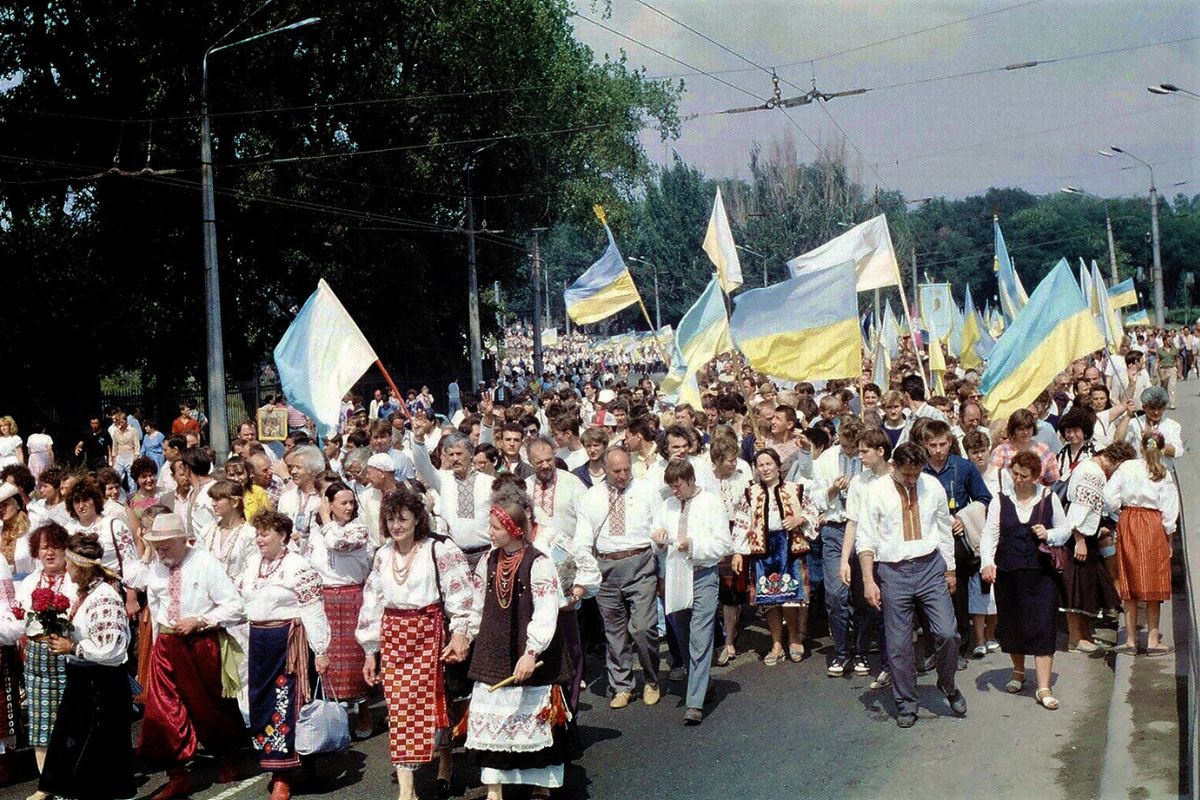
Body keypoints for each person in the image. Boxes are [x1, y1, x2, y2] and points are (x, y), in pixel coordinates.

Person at [358, 487, 473, 800]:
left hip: (428, 633)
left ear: (417, 518)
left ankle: (445, 762)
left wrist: (461, 631)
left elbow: (461, 594)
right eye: (391, 519)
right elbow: (372, 602)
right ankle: (407, 791)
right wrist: (370, 652)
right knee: (399, 710)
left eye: (403, 518)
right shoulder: (383, 555)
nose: (396, 525)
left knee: (435, 705)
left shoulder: (440, 549)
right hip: (393, 636)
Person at [464, 493, 576, 800]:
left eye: (496, 528)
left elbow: (545, 610)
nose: (490, 533)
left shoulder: (539, 563)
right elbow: (477, 605)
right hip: (494, 649)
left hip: (532, 652)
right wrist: (463, 634)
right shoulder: (488, 560)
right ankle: (494, 790)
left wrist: (531, 652)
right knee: (492, 720)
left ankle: (541, 785)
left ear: (514, 529)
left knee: (537, 719)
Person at [133, 513, 248, 800]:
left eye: (166, 547)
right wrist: (159, 644)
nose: (161, 553)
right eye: (157, 547)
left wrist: (199, 620)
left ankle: (229, 754)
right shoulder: (157, 568)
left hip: (200, 643)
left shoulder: (206, 563)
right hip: (168, 646)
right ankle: (177, 775)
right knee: (162, 711)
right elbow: (157, 604)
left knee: (211, 707)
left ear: (183, 540)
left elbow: (235, 607)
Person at [858, 443, 965, 728]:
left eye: (916, 473)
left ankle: (948, 683)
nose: (911, 479)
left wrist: (951, 569)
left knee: (947, 632)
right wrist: (869, 580)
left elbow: (944, 528)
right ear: (894, 466)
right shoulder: (875, 491)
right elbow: (865, 538)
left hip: (931, 566)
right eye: (906, 474)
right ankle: (906, 702)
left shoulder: (932, 486)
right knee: (899, 643)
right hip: (893, 570)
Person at [236, 510, 330, 800]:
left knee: (287, 704)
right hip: (259, 643)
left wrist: (321, 650)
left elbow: (313, 609)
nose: (259, 538)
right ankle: (299, 762)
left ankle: (282, 776)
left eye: (265, 533)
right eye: (258, 533)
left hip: (289, 644)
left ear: (283, 536)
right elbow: (238, 600)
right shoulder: (252, 563)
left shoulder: (298, 566)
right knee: (261, 704)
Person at [36, 531, 135, 800]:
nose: (65, 568)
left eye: (69, 564)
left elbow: (112, 648)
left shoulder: (105, 597)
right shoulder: (84, 593)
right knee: (76, 739)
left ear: (80, 568)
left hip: (102, 683)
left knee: (98, 744)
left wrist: (74, 648)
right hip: (84, 680)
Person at [979, 451, 1071, 710]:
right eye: (1015, 473)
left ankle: (1043, 686)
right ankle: (1018, 670)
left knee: (1043, 625)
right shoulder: (1000, 500)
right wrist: (988, 562)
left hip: (1042, 574)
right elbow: (990, 534)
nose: (1017, 479)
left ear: (1036, 477)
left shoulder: (1048, 498)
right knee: (1013, 624)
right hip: (1009, 572)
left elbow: (1065, 530)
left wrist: (1049, 533)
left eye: (1024, 475)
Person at [574, 446, 661, 709]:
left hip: (641, 563)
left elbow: (658, 525)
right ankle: (622, 686)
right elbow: (583, 538)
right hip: (606, 568)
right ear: (605, 469)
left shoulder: (646, 491)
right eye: (616, 471)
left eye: (626, 469)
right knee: (614, 633)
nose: (623, 475)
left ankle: (652, 680)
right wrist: (585, 567)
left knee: (643, 628)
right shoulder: (591, 497)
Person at [651, 460, 734, 725]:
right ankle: (704, 683)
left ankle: (694, 703)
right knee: (684, 634)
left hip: (703, 574)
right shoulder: (667, 505)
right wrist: (660, 538)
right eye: (671, 488)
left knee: (700, 635)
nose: (675, 492)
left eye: (678, 487)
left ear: (690, 480)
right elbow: (657, 541)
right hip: (677, 574)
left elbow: (723, 543)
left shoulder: (711, 502)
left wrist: (694, 545)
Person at [736, 448, 819, 666]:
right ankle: (776, 643)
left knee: (790, 596)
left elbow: (813, 510)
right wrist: (738, 550)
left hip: (789, 546)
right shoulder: (750, 493)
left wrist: (799, 519)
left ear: (778, 465)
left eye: (769, 464)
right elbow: (742, 521)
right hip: (763, 549)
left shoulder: (795, 489)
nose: (765, 469)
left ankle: (793, 637)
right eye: (761, 465)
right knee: (770, 599)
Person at [1104, 431, 1179, 656]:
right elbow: (1169, 511)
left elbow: (1108, 497)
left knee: (1128, 578)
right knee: (1153, 579)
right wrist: (1169, 539)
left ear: (1140, 446)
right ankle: (1153, 640)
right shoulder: (1163, 473)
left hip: (1129, 520)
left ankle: (1130, 640)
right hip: (1153, 522)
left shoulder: (1127, 467)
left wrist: (1121, 509)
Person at [310, 481, 374, 738]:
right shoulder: (317, 531)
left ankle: (365, 713)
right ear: (329, 504)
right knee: (328, 658)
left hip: (351, 596)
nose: (349, 507)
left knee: (357, 657)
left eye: (351, 502)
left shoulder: (359, 530)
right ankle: (335, 720)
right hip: (324, 596)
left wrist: (326, 520)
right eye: (343, 503)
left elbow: (338, 543)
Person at [1061, 442, 1133, 652]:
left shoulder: (1088, 467)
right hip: (1077, 539)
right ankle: (1075, 638)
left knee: (1084, 588)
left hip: (1085, 537)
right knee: (1074, 589)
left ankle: (1083, 635)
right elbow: (1079, 510)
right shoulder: (1093, 474)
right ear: (1118, 462)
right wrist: (1080, 540)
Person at [813, 419, 870, 675]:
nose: (849, 452)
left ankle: (860, 650)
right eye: (845, 446)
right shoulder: (826, 459)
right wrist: (834, 489)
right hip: (835, 529)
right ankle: (841, 650)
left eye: (853, 448)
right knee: (836, 594)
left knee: (863, 595)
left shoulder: (868, 459)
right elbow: (815, 498)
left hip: (864, 531)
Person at [411, 428, 494, 570]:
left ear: (471, 454)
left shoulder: (490, 482)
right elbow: (423, 467)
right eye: (451, 455)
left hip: (485, 554)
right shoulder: (443, 480)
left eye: (459, 454)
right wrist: (418, 439)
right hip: (454, 555)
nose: (455, 458)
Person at [710, 433, 754, 665]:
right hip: (713, 533)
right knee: (714, 589)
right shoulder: (706, 478)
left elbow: (748, 507)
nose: (734, 464)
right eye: (729, 460)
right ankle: (716, 637)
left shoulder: (742, 474)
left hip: (737, 531)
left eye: (735, 459)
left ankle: (729, 639)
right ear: (717, 460)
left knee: (731, 591)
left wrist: (740, 543)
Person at [988, 409, 1060, 488]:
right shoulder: (1001, 451)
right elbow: (992, 480)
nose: (1025, 432)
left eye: (1028, 428)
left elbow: (1053, 481)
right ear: (1013, 430)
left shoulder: (1043, 449)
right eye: (1021, 429)